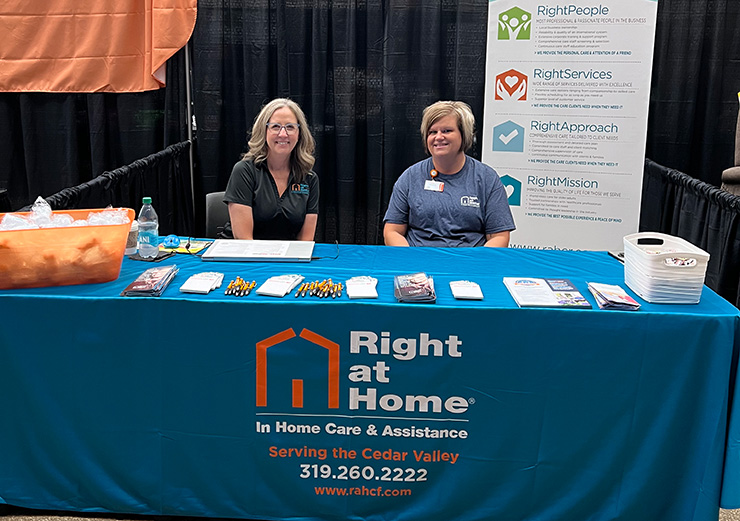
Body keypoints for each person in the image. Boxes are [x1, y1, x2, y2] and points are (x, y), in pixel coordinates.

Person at [383, 101, 515, 247]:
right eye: (433, 132)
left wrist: (475, 264)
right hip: (420, 262)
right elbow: (392, 231)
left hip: (468, 264)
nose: (438, 137)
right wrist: (411, 260)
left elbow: (499, 236)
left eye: (446, 131)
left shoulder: (487, 179)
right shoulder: (410, 177)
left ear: (463, 135)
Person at [223, 98, 319, 240]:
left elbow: (305, 243)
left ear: (299, 134)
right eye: (275, 126)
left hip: (287, 257)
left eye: (290, 127)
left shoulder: (310, 179)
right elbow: (244, 242)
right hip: (244, 256)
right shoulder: (244, 171)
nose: (283, 134)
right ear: (264, 131)